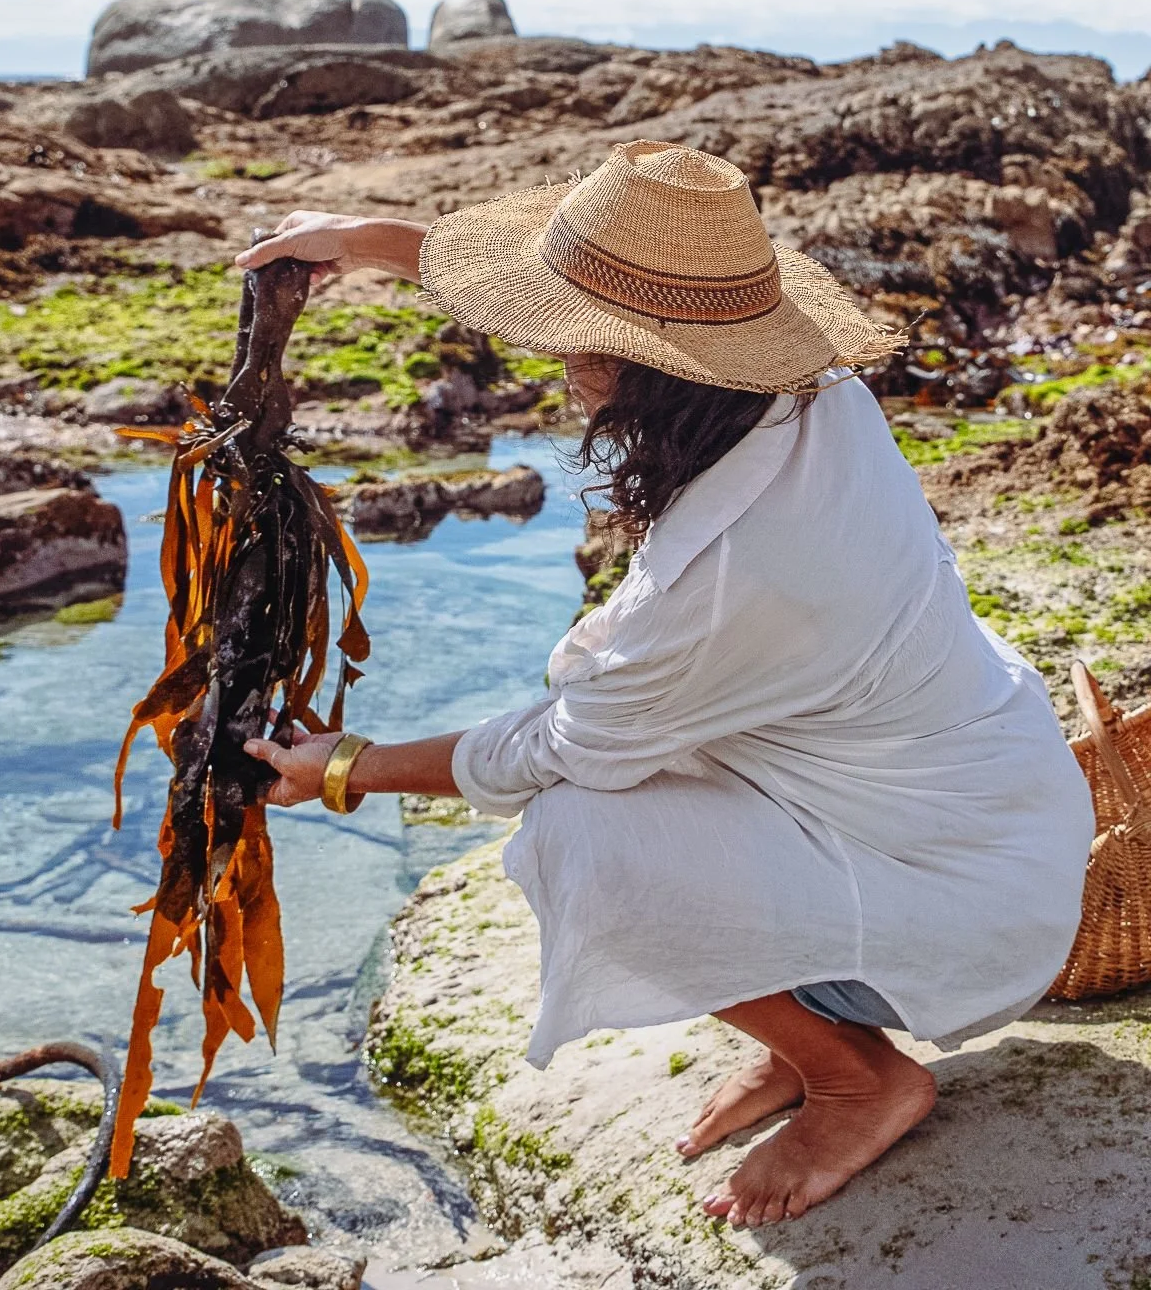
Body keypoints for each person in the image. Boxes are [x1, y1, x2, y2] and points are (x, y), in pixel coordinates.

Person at [238, 139, 1094, 1228]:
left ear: (651, 365)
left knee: (577, 835)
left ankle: (854, 1076)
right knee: (650, 767)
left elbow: (550, 753)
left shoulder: (735, 578)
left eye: (577, 341)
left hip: (964, 903)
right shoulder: (798, 379)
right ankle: (810, 1038)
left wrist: (346, 768)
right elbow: (560, 293)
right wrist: (359, 242)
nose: (555, 356)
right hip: (978, 801)